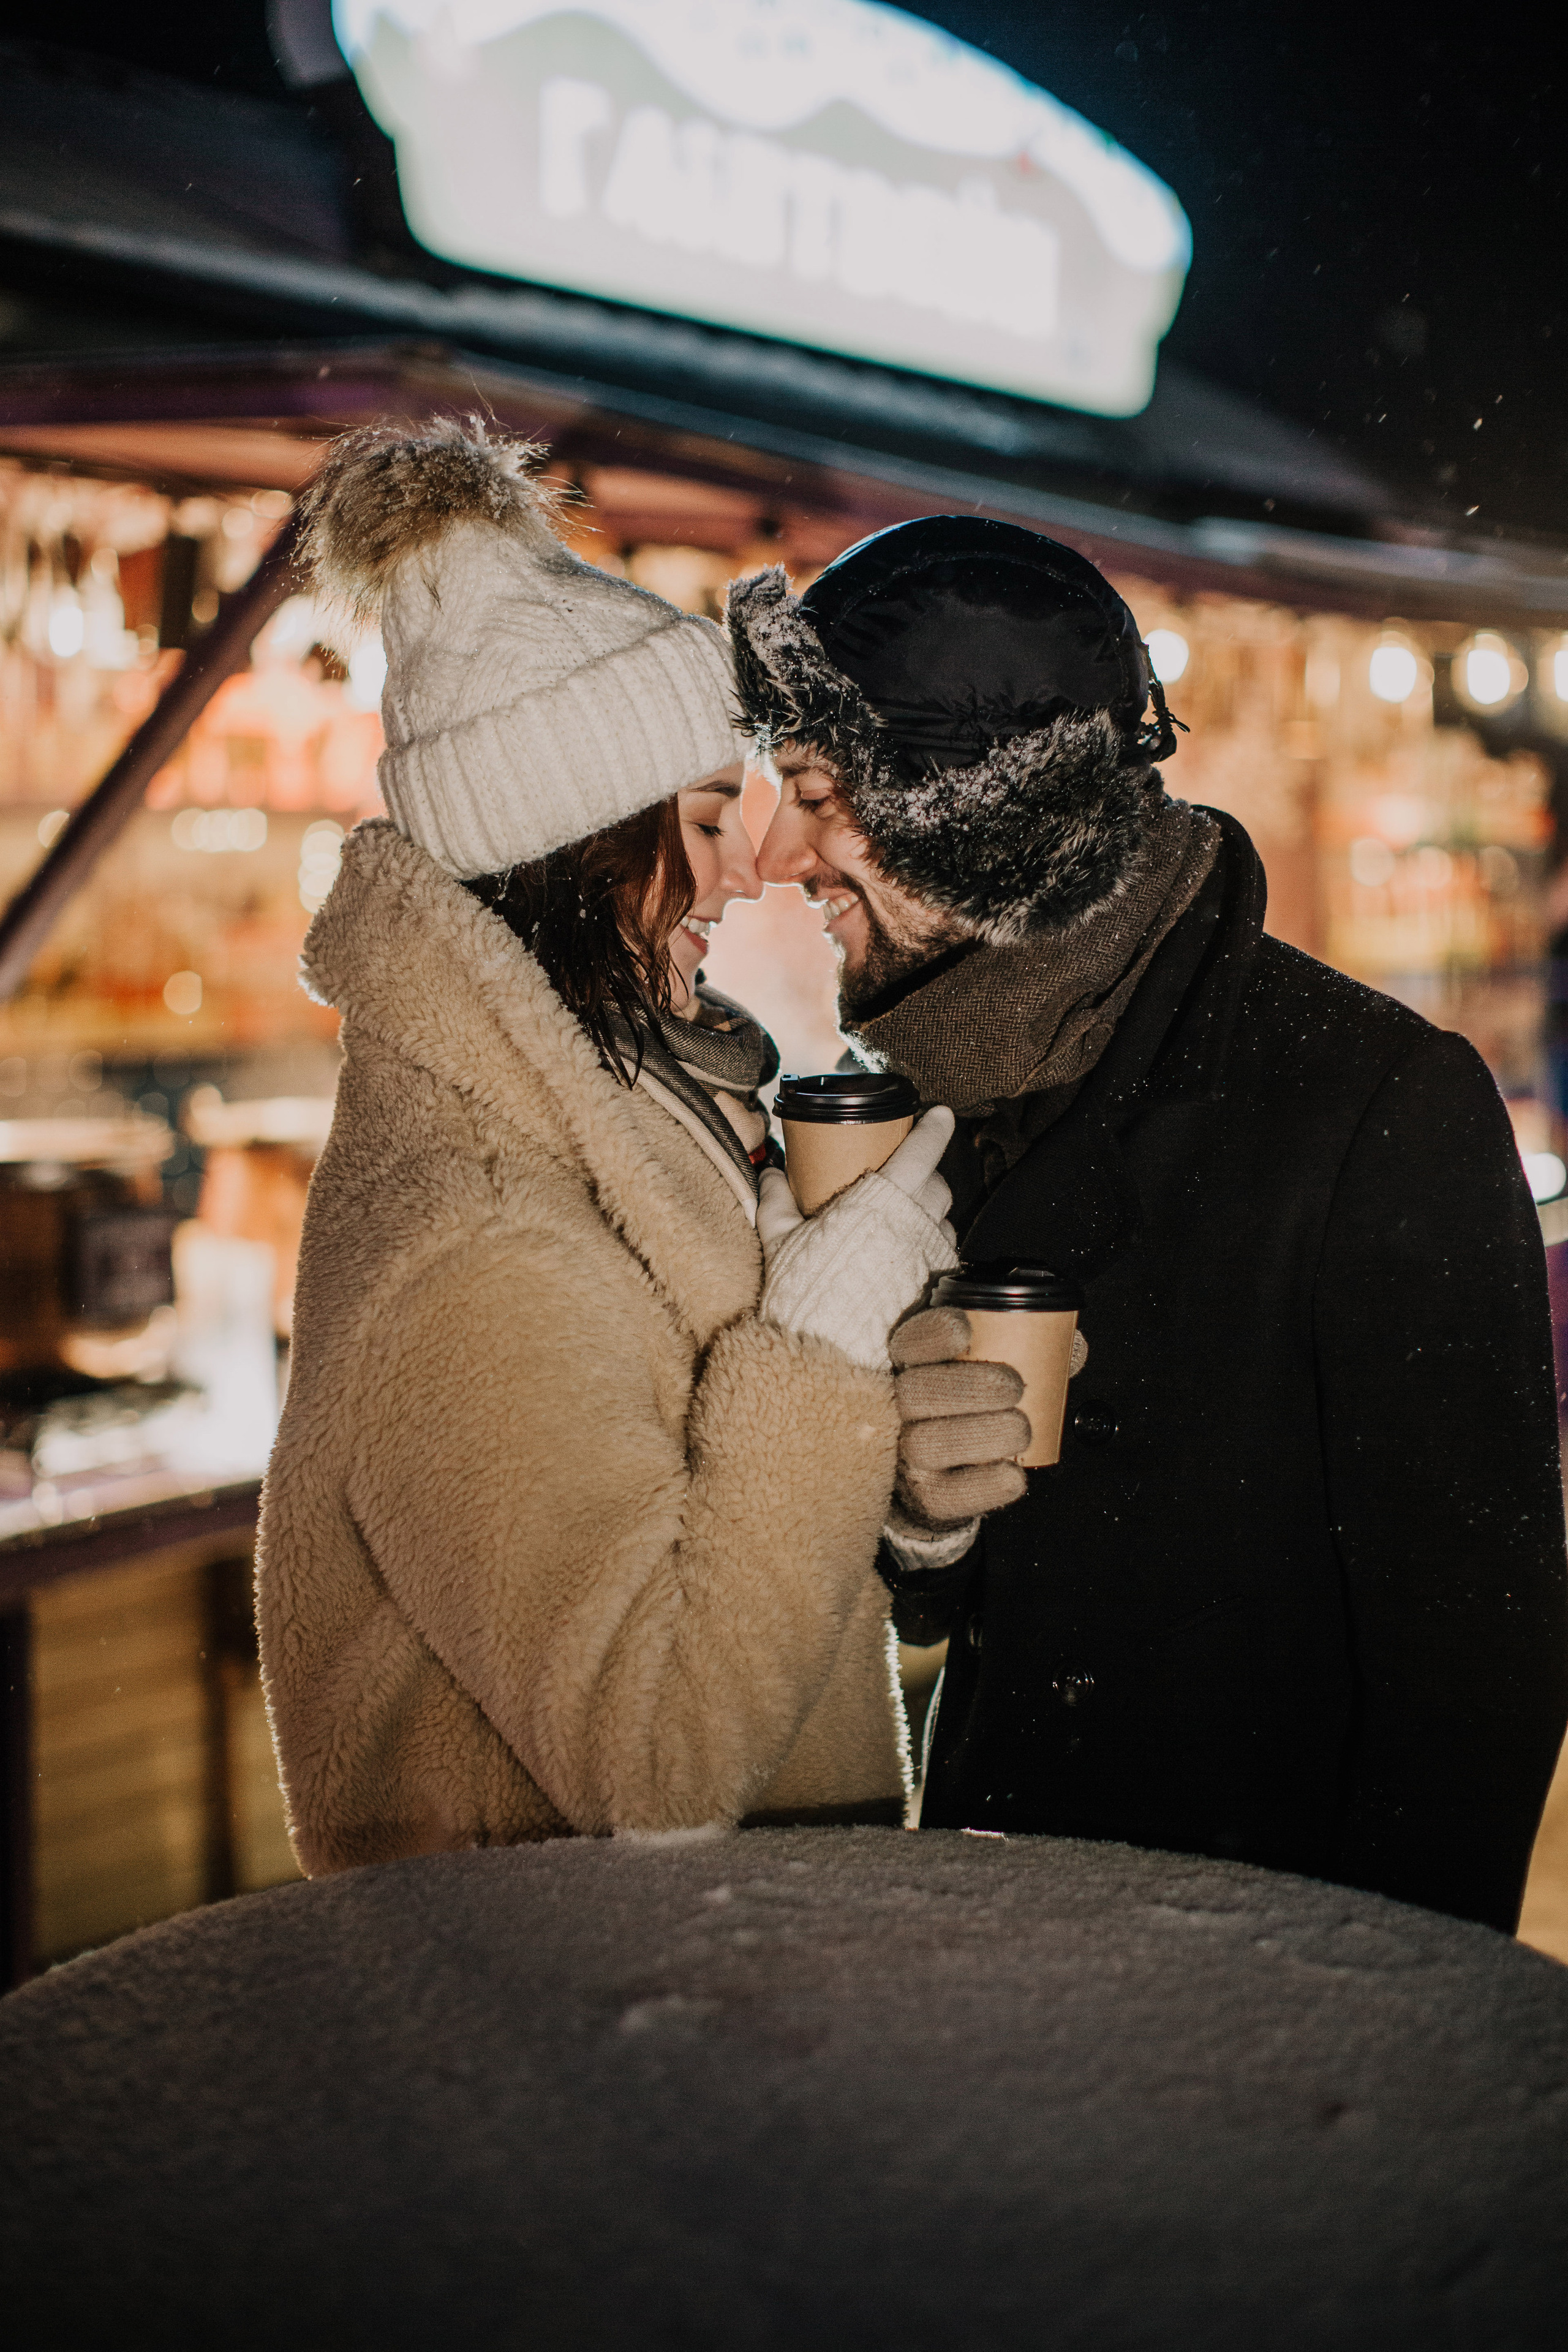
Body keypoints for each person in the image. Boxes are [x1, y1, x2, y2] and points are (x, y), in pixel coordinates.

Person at [729, 514, 1568, 1933]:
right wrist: (921, 1522)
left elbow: (1473, 1671)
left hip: (1260, 1989)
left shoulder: (1372, 1107)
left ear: (971, 806)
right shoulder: (938, 1101)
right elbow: (985, 1606)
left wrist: (1392, 2048)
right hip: (1012, 1956)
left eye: (816, 794)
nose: (769, 855)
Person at [257, 423, 957, 1872]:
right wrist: (818, 1348)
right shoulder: (473, 1247)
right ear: (581, 846)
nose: (751, 865)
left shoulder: (620, 1128)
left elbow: (700, 1506)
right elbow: (661, 1757)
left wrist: (888, 1493)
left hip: (684, 2021)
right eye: (705, 818)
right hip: (566, 2046)